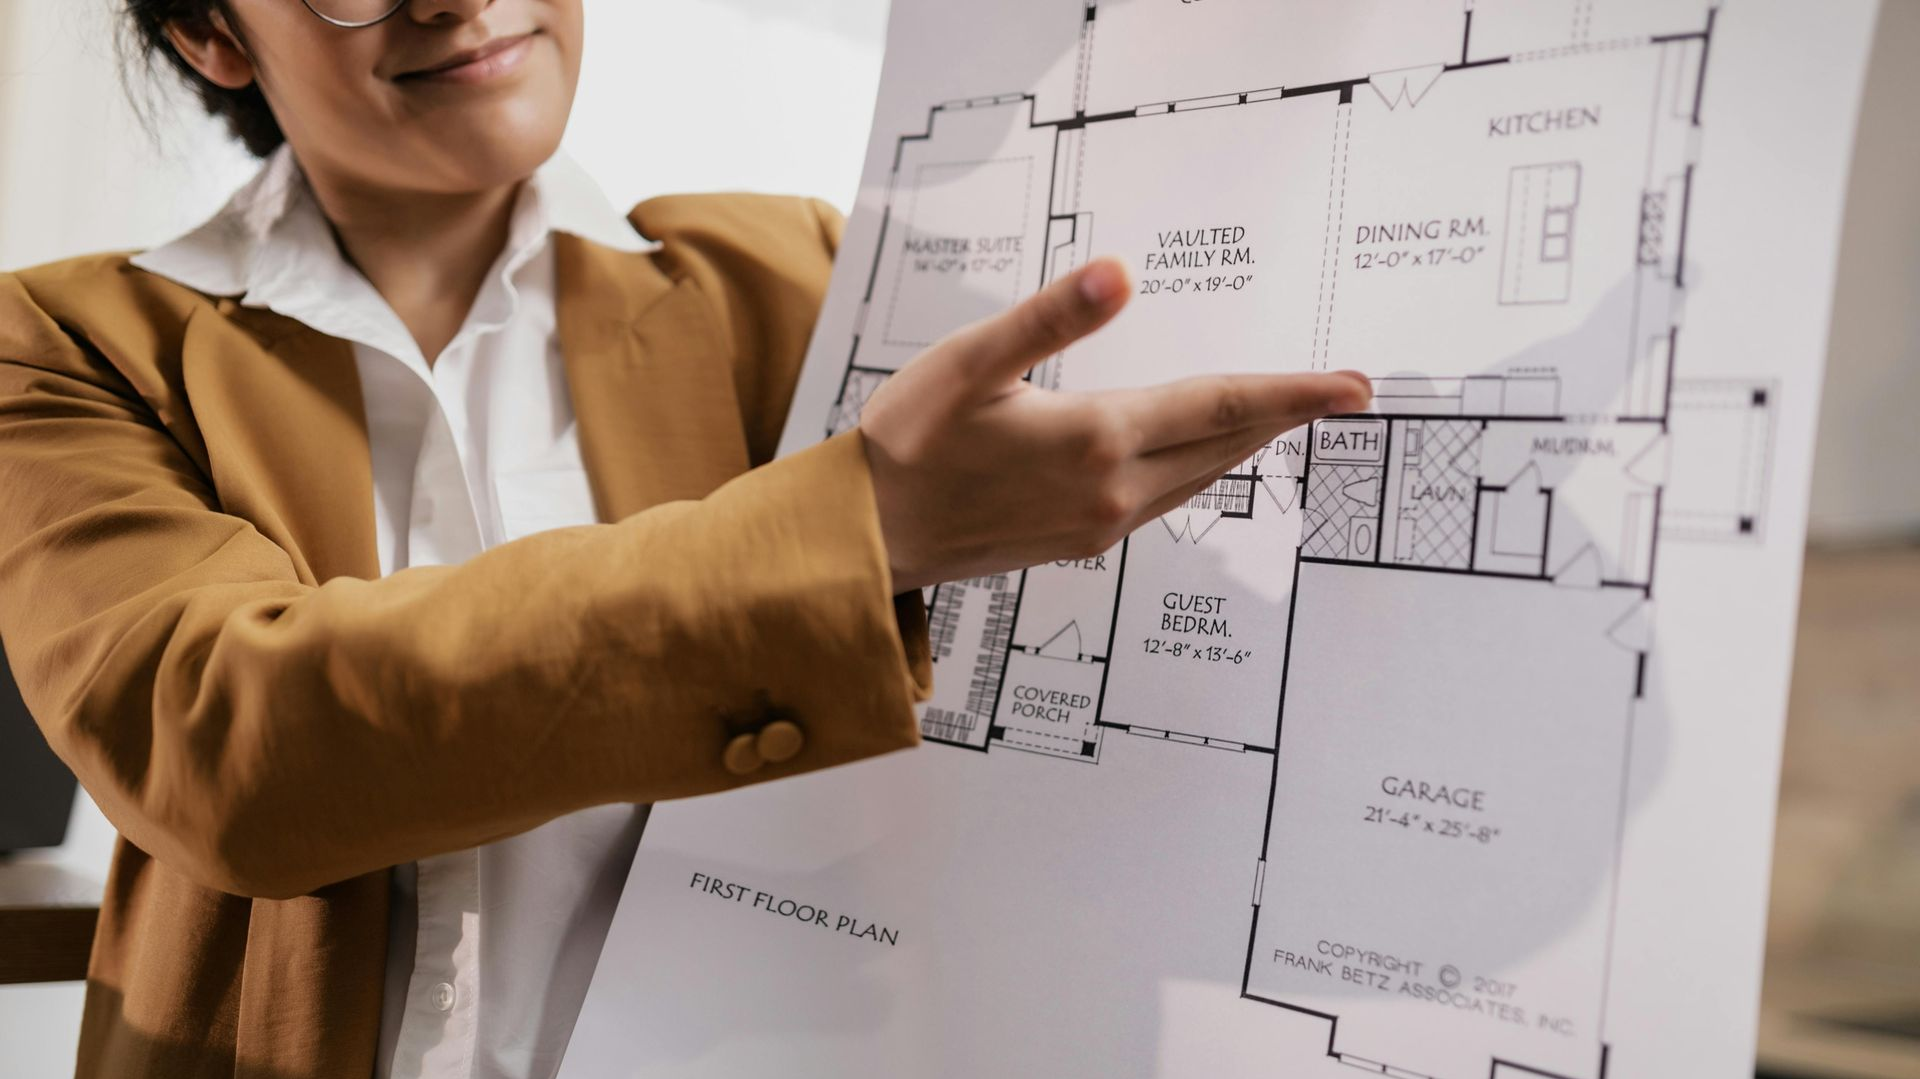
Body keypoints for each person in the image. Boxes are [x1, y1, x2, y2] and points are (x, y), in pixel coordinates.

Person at [0, 1, 1371, 1076]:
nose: (463, 1)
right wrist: (855, 530)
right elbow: (229, 742)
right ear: (213, 31)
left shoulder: (798, 285)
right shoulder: (70, 345)